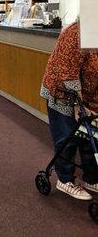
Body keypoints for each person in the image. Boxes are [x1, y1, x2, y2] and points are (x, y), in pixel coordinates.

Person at [40, 20, 98, 200]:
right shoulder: (76, 33)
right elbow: (67, 72)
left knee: (91, 137)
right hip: (63, 93)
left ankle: (91, 178)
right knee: (67, 137)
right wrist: (77, 104)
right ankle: (64, 180)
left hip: (89, 94)